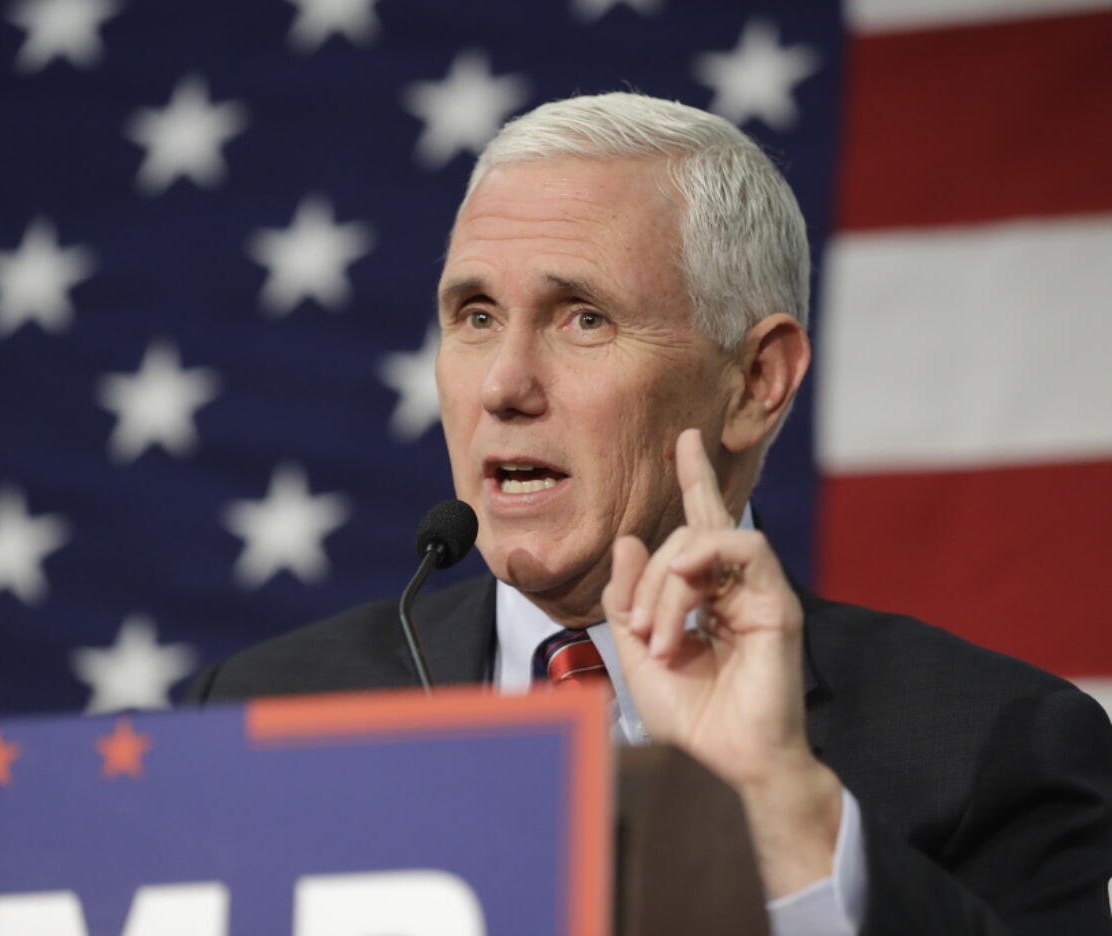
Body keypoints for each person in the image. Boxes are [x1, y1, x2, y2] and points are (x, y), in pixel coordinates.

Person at [187, 93, 1112, 934]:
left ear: (756, 382)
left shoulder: (995, 745)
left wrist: (778, 810)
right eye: (474, 315)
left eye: (582, 317)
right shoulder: (263, 716)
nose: (503, 385)